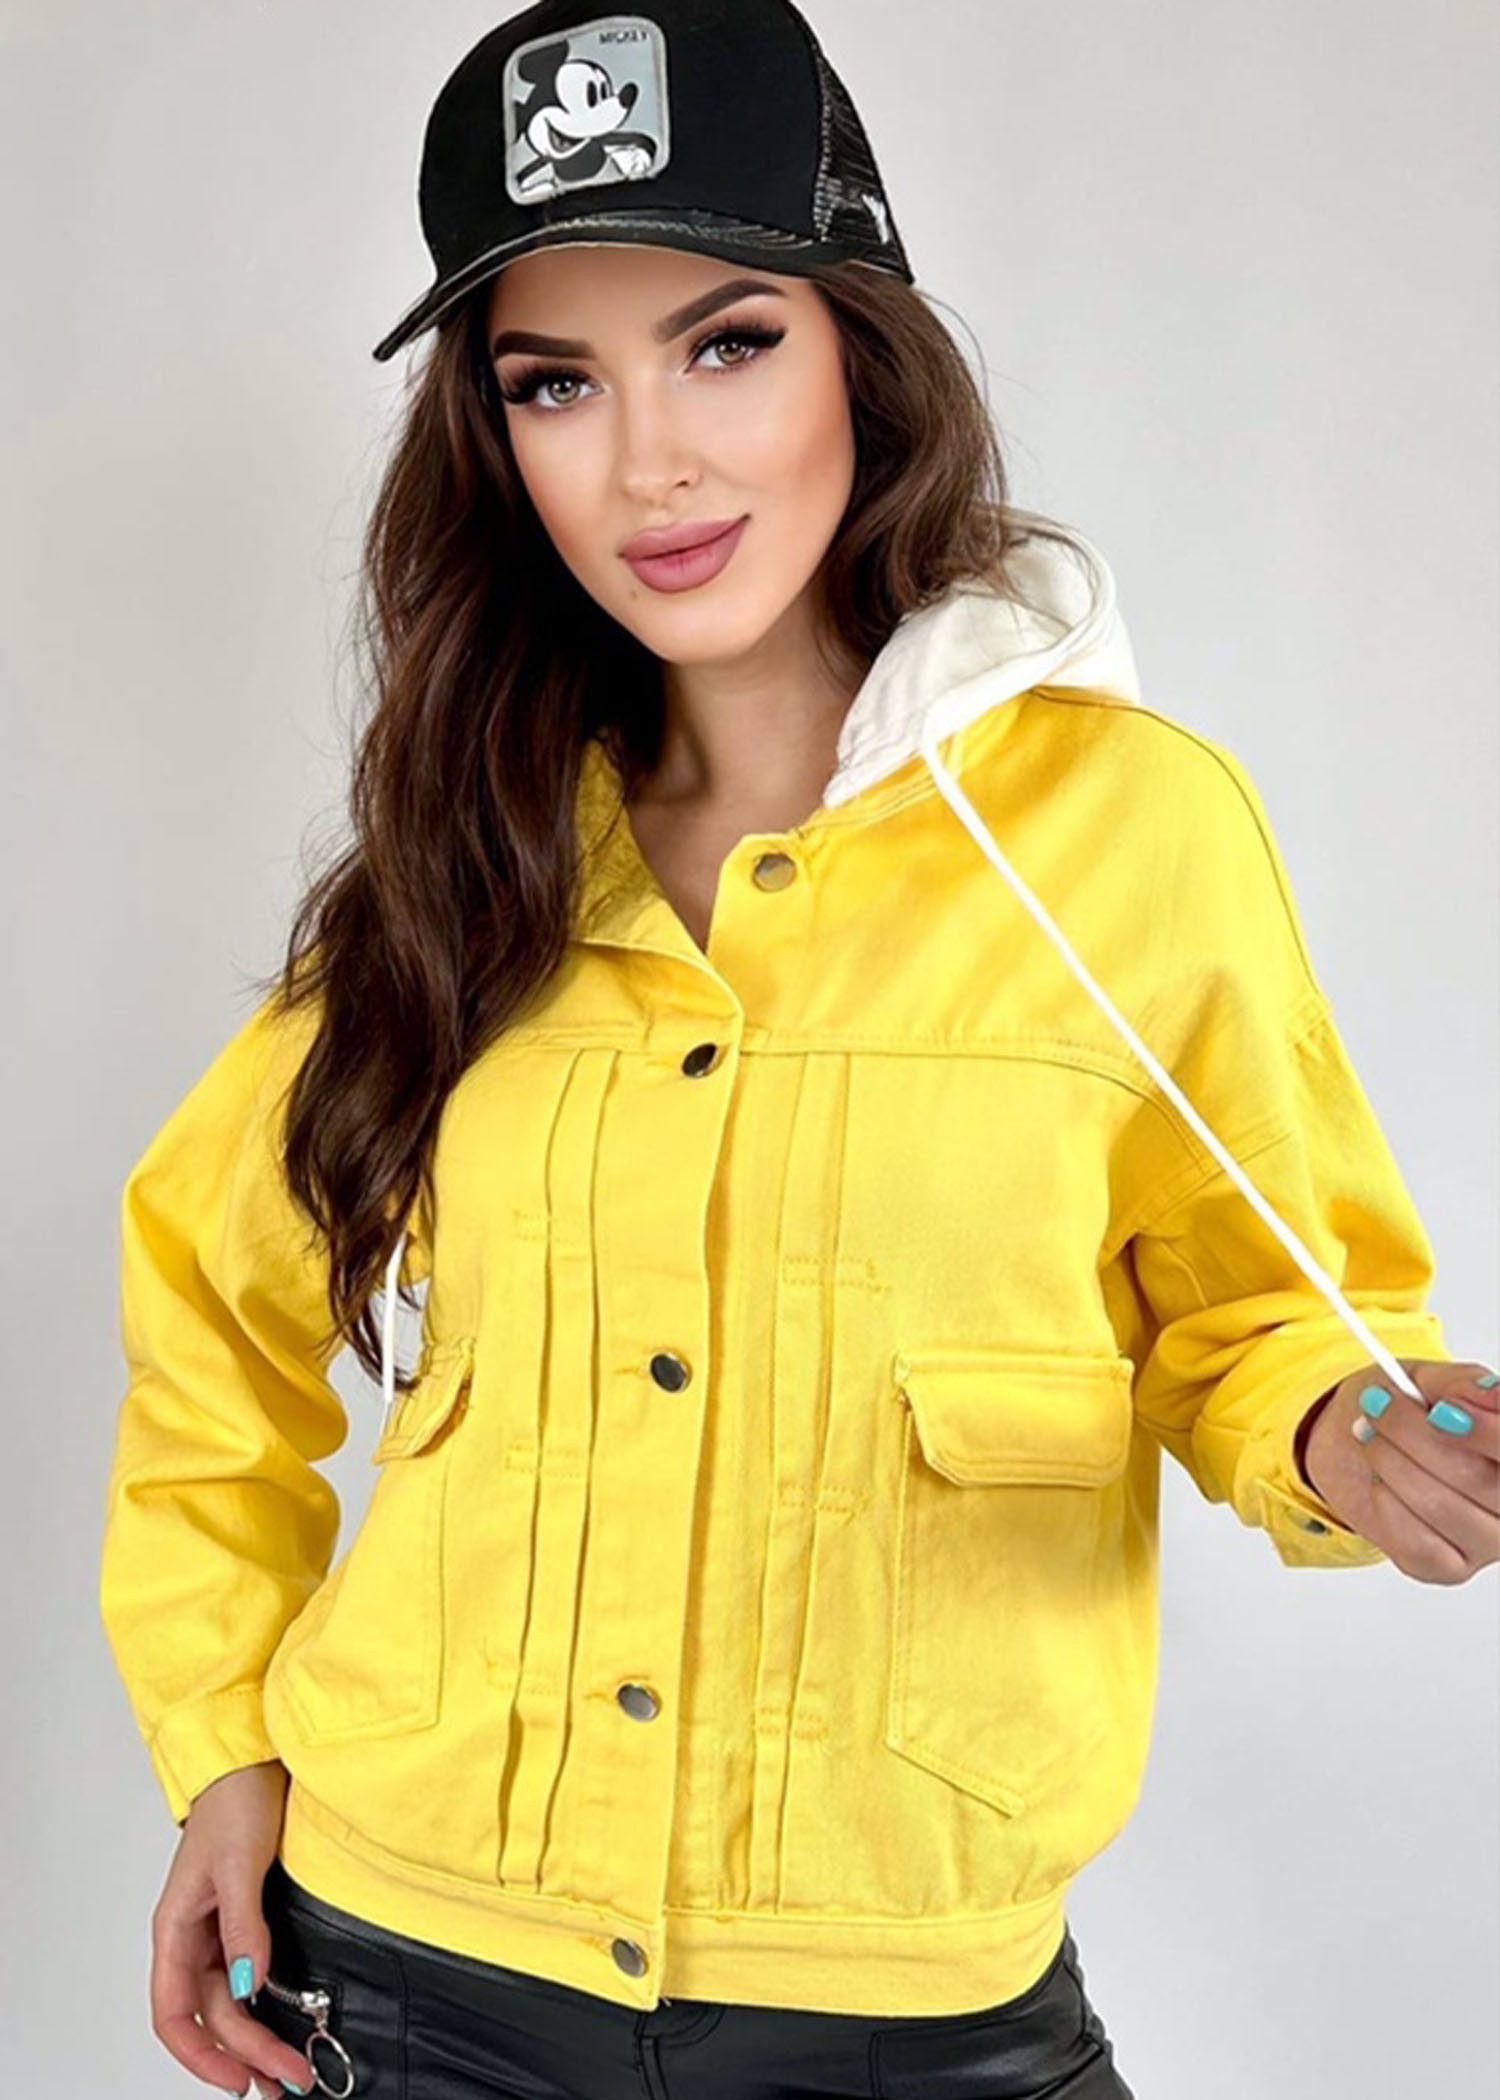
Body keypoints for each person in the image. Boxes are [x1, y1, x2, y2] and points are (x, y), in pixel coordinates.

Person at [98, 2, 1500, 2096]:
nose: (647, 463)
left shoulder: (1129, 832)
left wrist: (1340, 1434)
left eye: (726, 343)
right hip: (410, 1967)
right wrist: (224, 1744)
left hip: (912, 2006)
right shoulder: (462, 866)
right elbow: (213, 1323)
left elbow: (1260, 1307)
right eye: (556, 382)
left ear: (865, 350)